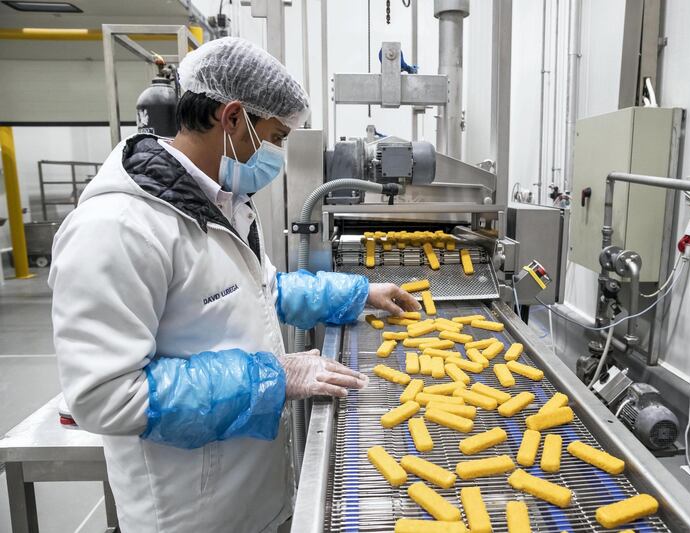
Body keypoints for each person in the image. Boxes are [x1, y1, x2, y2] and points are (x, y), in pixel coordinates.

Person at [48, 37, 419, 533]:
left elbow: (262, 291)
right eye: (277, 137)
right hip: (189, 514)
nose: (279, 153)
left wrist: (356, 294)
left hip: (256, 496)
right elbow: (106, 395)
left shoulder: (225, 204)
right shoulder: (118, 227)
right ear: (232, 118)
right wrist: (272, 377)